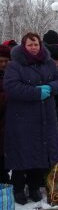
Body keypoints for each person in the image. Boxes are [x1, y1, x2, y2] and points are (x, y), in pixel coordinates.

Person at [4, 32, 58, 204]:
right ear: (24, 46)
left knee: (40, 153)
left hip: (45, 117)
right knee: (22, 154)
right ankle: (18, 189)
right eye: (30, 45)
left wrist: (50, 87)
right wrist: (36, 92)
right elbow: (11, 87)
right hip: (22, 118)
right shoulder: (15, 65)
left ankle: (33, 187)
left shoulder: (48, 63)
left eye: (36, 44)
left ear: (40, 45)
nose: (33, 48)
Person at [0, 45, 11, 183]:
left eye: (6, 61)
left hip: (9, 121)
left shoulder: (11, 74)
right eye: (0, 61)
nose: (3, 64)